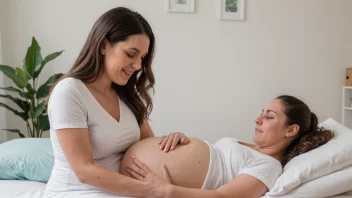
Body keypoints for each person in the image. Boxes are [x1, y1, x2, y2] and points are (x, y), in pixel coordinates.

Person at [43, 7, 189, 198]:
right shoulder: (70, 92)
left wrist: (172, 141)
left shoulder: (126, 95)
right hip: (78, 191)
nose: (138, 65)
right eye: (131, 54)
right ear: (104, 45)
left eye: (142, 58)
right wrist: (151, 190)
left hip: (124, 190)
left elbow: (148, 146)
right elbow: (84, 171)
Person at [120, 95, 335, 198]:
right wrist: (180, 138)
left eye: (269, 116)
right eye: (261, 113)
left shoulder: (269, 167)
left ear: (291, 130)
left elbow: (223, 197)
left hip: (155, 188)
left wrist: (169, 191)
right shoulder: (252, 149)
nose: (258, 119)